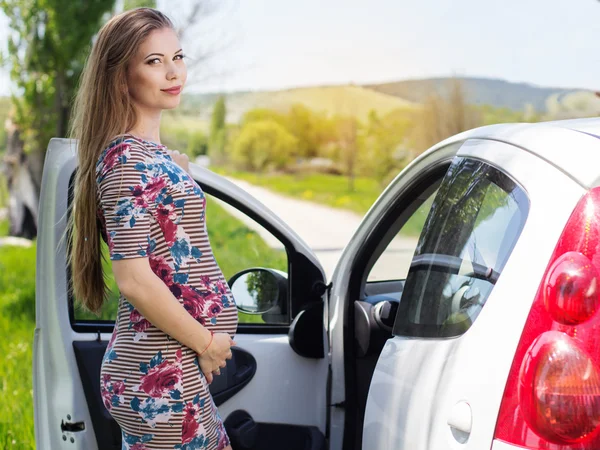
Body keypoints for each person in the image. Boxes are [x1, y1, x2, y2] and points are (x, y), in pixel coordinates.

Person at [67, 7, 237, 450]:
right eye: (153, 61)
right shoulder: (126, 161)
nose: (173, 71)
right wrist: (207, 342)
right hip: (160, 375)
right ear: (121, 77)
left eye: (177, 57)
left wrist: (176, 171)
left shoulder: (146, 157)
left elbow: (167, 239)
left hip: (170, 368)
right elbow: (134, 279)